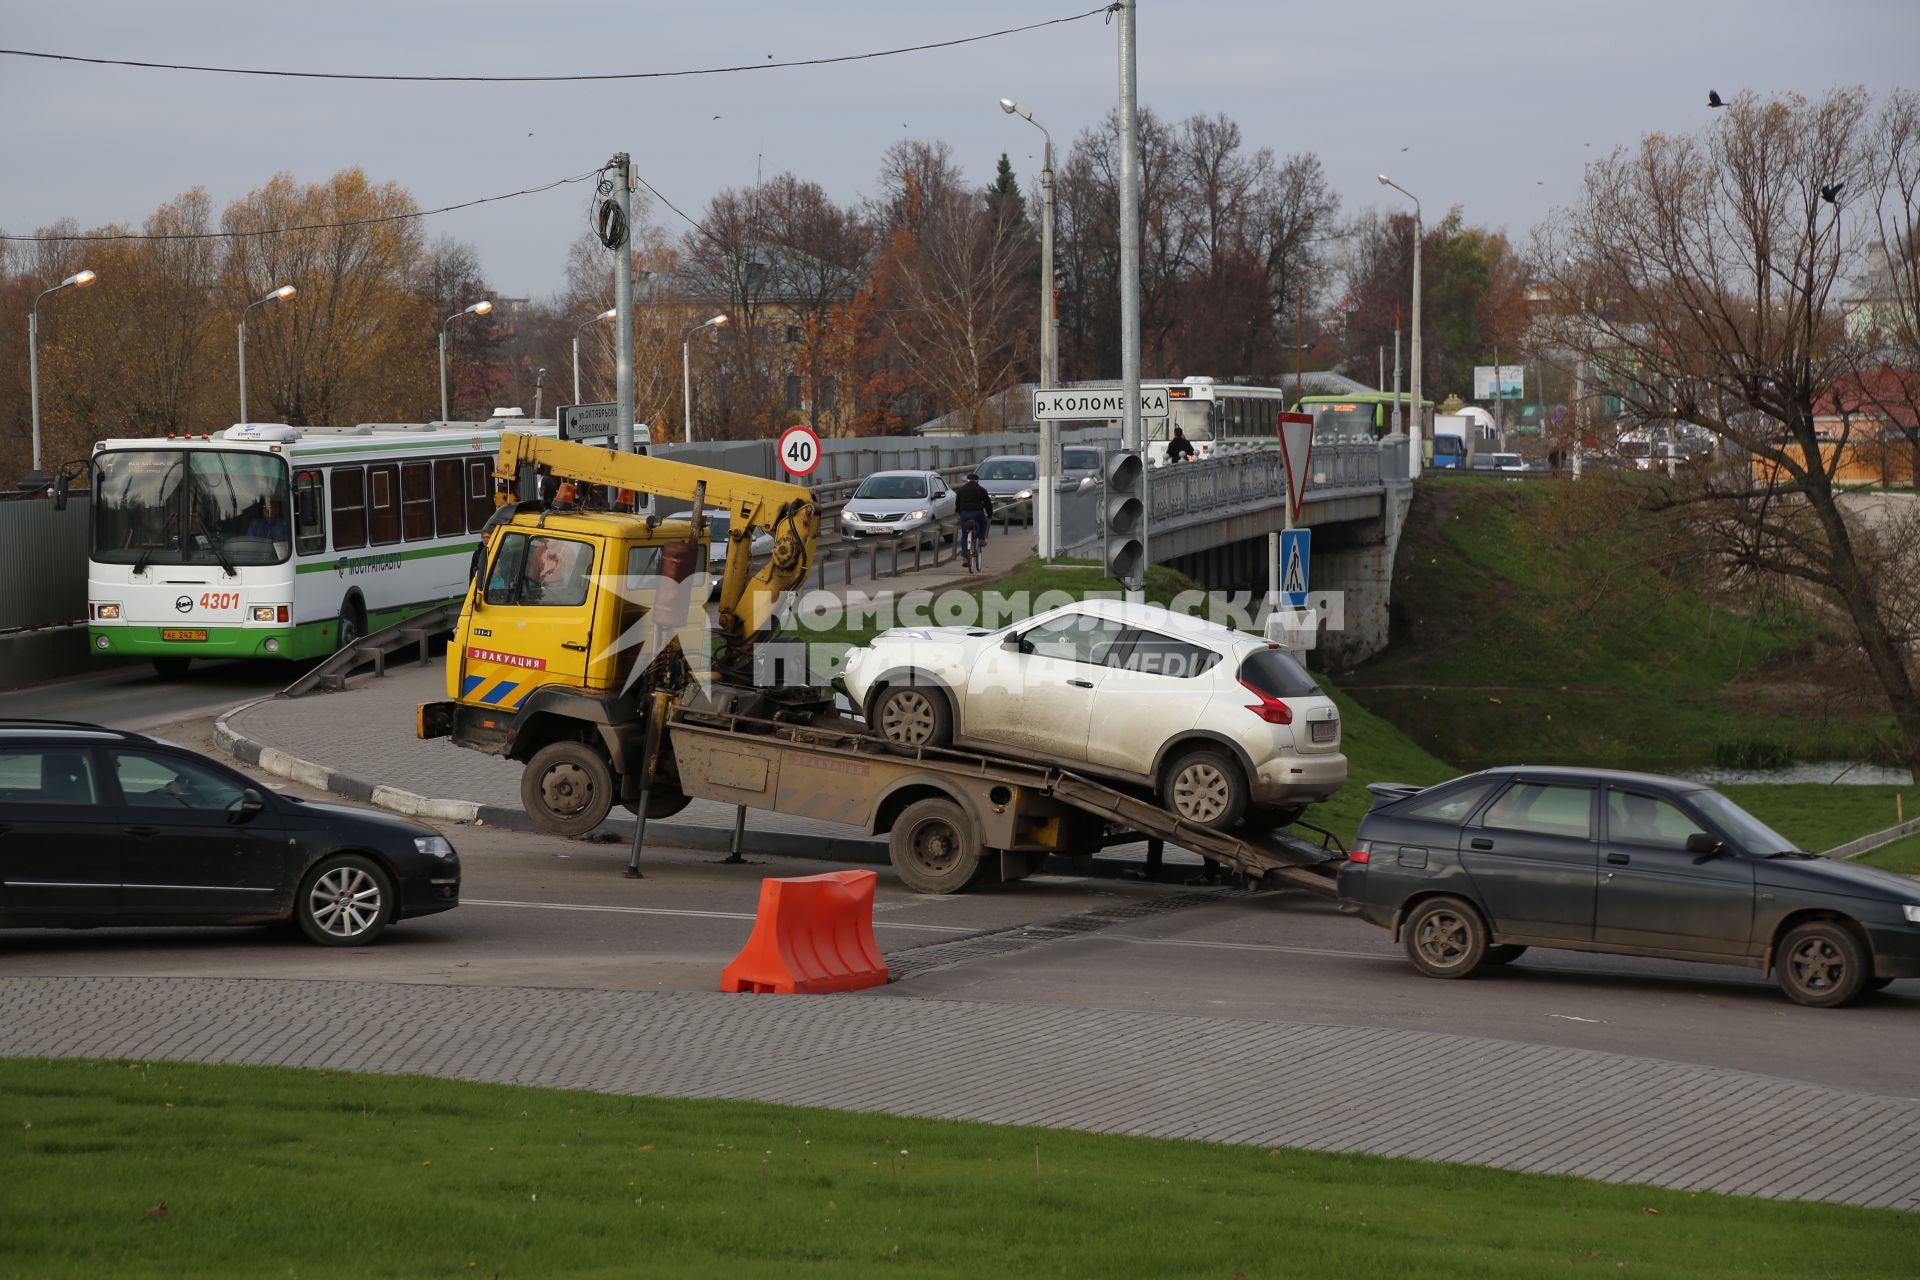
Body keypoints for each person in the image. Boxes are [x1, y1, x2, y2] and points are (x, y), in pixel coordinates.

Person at [954, 473, 993, 567]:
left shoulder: (961, 490)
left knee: (964, 534)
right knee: (984, 523)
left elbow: (957, 504)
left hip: (965, 514)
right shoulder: (981, 489)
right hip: (977, 513)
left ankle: (964, 558)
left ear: (967, 480)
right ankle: (981, 539)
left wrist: (961, 514)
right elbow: (988, 503)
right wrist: (990, 515)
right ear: (977, 481)